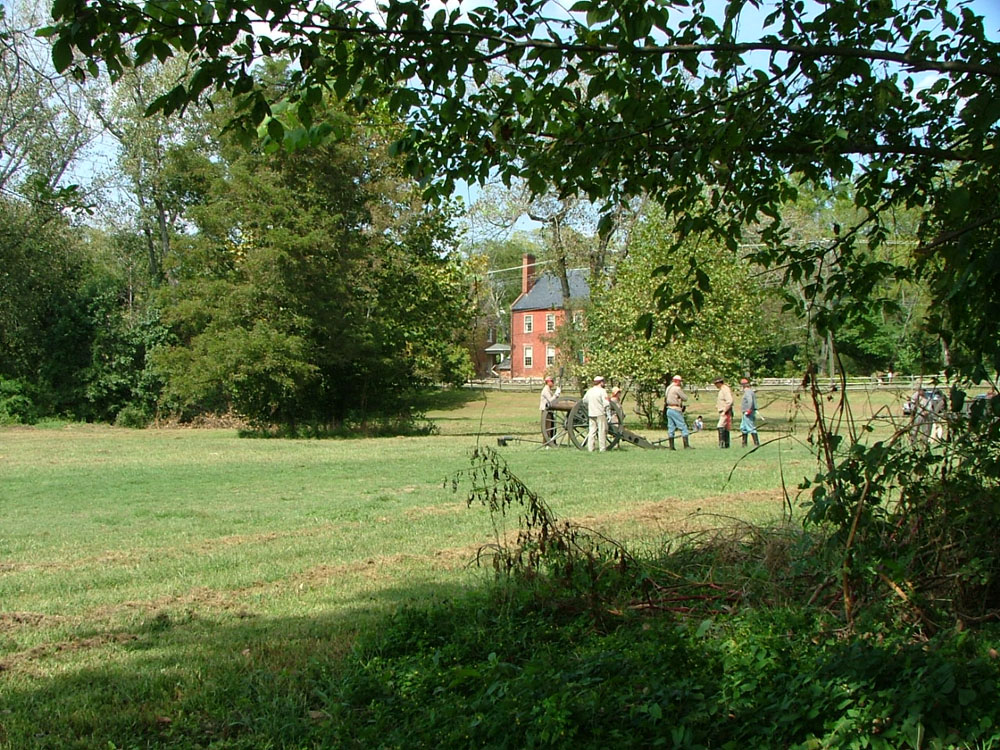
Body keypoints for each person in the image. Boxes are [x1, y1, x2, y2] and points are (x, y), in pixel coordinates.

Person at [582, 375, 611, 452]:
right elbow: (606, 403)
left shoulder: (590, 391)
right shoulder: (602, 391)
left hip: (591, 413)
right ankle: (602, 448)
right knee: (602, 431)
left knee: (592, 431)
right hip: (600, 413)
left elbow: (584, 401)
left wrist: (588, 407)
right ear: (601, 382)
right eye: (603, 382)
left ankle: (590, 448)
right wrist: (608, 414)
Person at [664, 374, 692, 449]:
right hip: (675, 409)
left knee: (671, 428)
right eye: (680, 381)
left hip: (669, 409)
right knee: (683, 426)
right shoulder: (677, 388)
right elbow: (685, 398)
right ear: (677, 381)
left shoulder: (668, 388)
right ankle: (686, 445)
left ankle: (671, 446)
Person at [539, 376, 561, 446]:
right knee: (547, 427)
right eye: (552, 381)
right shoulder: (545, 390)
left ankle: (552, 441)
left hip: (549, 410)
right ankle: (547, 442)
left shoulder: (548, 389)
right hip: (545, 410)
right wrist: (556, 394)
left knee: (551, 426)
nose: (553, 383)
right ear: (548, 382)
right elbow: (550, 400)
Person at [713, 377, 734, 448]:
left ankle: (722, 444)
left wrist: (725, 410)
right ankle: (726, 444)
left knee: (720, 426)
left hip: (725, 412)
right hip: (723, 411)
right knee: (724, 427)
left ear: (719, 383)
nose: (715, 385)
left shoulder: (725, 390)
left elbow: (730, 401)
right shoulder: (722, 390)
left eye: (716, 383)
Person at [739, 378, 759, 448]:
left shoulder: (747, 391)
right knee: (743, 428)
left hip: (748, 413)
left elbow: (750, 401)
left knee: (751, 427)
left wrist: (749, 410)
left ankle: (756, 443)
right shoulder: (749, 391)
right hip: (746, 412)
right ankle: (744, 444)